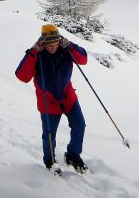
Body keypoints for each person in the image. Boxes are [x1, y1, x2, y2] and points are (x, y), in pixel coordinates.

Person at [15, 24, 89, 172]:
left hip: (68, 96)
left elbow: (83, 60)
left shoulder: (65, 48)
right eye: (49, 45)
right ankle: (50, 162)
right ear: (43, 42)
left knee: (79, 124)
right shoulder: (38, 53)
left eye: (55, 43)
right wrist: (34, 51)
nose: (52, 47)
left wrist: (71, 46)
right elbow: (22, 76)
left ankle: (73, 155)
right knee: (49, 135)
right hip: (47, 100)